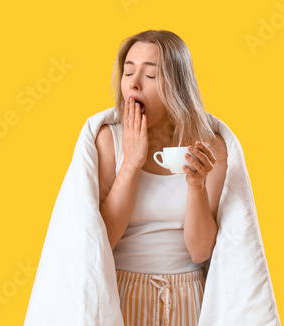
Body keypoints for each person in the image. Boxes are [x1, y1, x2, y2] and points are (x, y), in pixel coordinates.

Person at [95, 29, 228, 325]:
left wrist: (196, 186)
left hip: (189, 294)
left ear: (177, 85)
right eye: (128, 72)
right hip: (121, 290)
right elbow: (102, 240)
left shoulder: (213, 147)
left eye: (151, 76)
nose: (134, 83)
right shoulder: (108, 141)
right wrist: (130, 162)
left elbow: (200, 251)